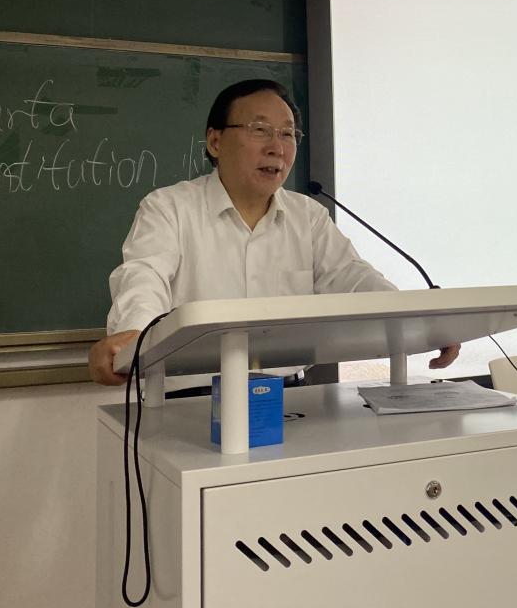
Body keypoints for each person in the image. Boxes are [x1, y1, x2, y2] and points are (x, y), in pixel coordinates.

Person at [88, 79, 459, 384]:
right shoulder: (169, 208)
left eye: (287, 134)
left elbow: (353, 279)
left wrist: (420, 323)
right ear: (215, 141)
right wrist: (135, 335)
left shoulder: (308, 216)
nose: (277, 148)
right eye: (260, 130)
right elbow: (144, 277)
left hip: (290, 399)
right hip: (191, 398)